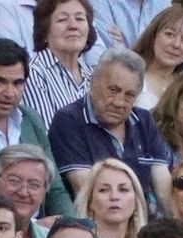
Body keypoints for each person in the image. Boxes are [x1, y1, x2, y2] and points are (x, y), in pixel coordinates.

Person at [0, 40, 71, 218]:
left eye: (17, 83)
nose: (10, 93)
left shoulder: (31, 119)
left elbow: (55, 189)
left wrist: (70, 226)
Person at [48, 49, 172, 209]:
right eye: (113, 90)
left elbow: (164, 190)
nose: (119, 102)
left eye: (129, 95)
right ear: (92, 84)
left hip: (142, 222)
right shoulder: (69, 120)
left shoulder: (144, 120)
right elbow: (86, 190)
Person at [22, 0, 102, 125]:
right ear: (44, 32)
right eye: (62, 20)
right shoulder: (33, 73)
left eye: (79, 19)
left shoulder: (94, 77)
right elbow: (46, 134)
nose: (73, 26)